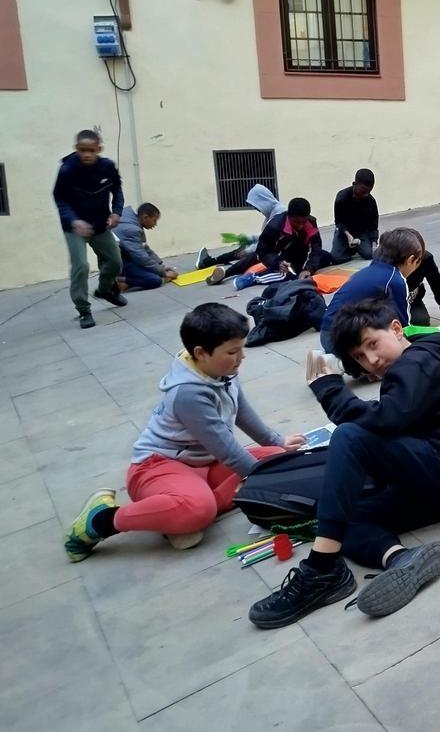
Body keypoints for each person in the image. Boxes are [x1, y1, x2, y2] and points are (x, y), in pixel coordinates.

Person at [247, 298, 440, 627]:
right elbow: (394, 419)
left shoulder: (418, 359)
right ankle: (398, 558)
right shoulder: (409, 369)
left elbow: (384, 420)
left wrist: (328, 389)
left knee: (349, 436)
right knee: (338, 517)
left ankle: (320, 569)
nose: (371, 360)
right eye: (359, 357)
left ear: (396, 329)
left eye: (372, 345)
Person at [63, 304, 302, 561]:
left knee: (276, 457)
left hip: (205, 464)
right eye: (232, 351)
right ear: (201, 353)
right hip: (157, 469)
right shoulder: (188, 393)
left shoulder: (222, 371)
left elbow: (242, 411)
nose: (241, 356)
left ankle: (177, 516)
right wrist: (267, 482)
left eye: (241, 348)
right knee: (213, 501)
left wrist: (276, 441)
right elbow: (227, 450)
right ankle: (100, 520)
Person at [320, 228, 419, 377]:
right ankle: (341, 365)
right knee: (398, 358)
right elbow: (403, 328)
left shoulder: (370, 270)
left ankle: (345, 362)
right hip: (342, 342)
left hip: (329, 333)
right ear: (411, 260)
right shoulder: (395, 279)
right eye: (418, 262)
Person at [53, 129, 126, 328]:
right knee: (81, 266)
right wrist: (74, 221)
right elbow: (60, 199)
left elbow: (117, 190)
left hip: (100, 223)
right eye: (82, 150)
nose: (87, 154)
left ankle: (104, 290)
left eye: (91, 150)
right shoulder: (67, 170)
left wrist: (116, 212)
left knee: (115, 261)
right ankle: (84, 310)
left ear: (98, 149)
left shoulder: (108, 167)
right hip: (75, 228)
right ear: (76, 149)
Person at [210, 197, 332, 288]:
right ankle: (248, 277)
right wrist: (278, 263)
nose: (300, 226)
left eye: (303, 222)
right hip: (278, 253)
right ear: (289, 216)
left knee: (327, 258)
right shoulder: (275, 226)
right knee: (287, 272)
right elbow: (262, 252)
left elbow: (316, 249)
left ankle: (226, 272)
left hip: (297, 250)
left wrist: (309, 269)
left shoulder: (310, 223)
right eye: (296, 222)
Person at [197, 184, 286, 270]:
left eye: (257, 206)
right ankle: (211, 261)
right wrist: (250, 238)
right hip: (272, 249)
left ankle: (216, 266)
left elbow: (267, 243)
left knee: (246, 254)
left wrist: (247, 251)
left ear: (263, 201)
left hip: (278, 254)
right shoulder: (274, 211)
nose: (257, 209)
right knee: (244, 249)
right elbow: (265, 237)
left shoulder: (279, 214)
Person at [114, 202, 178, 291]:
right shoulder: (132, 230)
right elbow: (142, 258)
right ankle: (120, 280)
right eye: (154, 220)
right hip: (121, 263)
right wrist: (164, 274)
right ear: (145, 218)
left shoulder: (132, 221)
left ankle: (126, 281)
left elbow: (144, 248)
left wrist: (161, 266)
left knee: (154, 271)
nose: (155, 224)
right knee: (155, 280)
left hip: (125, 258)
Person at [330, 169, 379, 263]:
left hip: (361, 233)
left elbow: (373, 225)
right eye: (363, 191)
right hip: (344, 232)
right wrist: (348, 236)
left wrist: (374, 243)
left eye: (368, 192)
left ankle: (357, 247)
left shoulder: (371, 201)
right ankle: (350, 248)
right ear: (354, 184)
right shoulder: (342, 197)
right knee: (336, 258)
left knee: (369, 254)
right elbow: (339, 222)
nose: (366, 195)